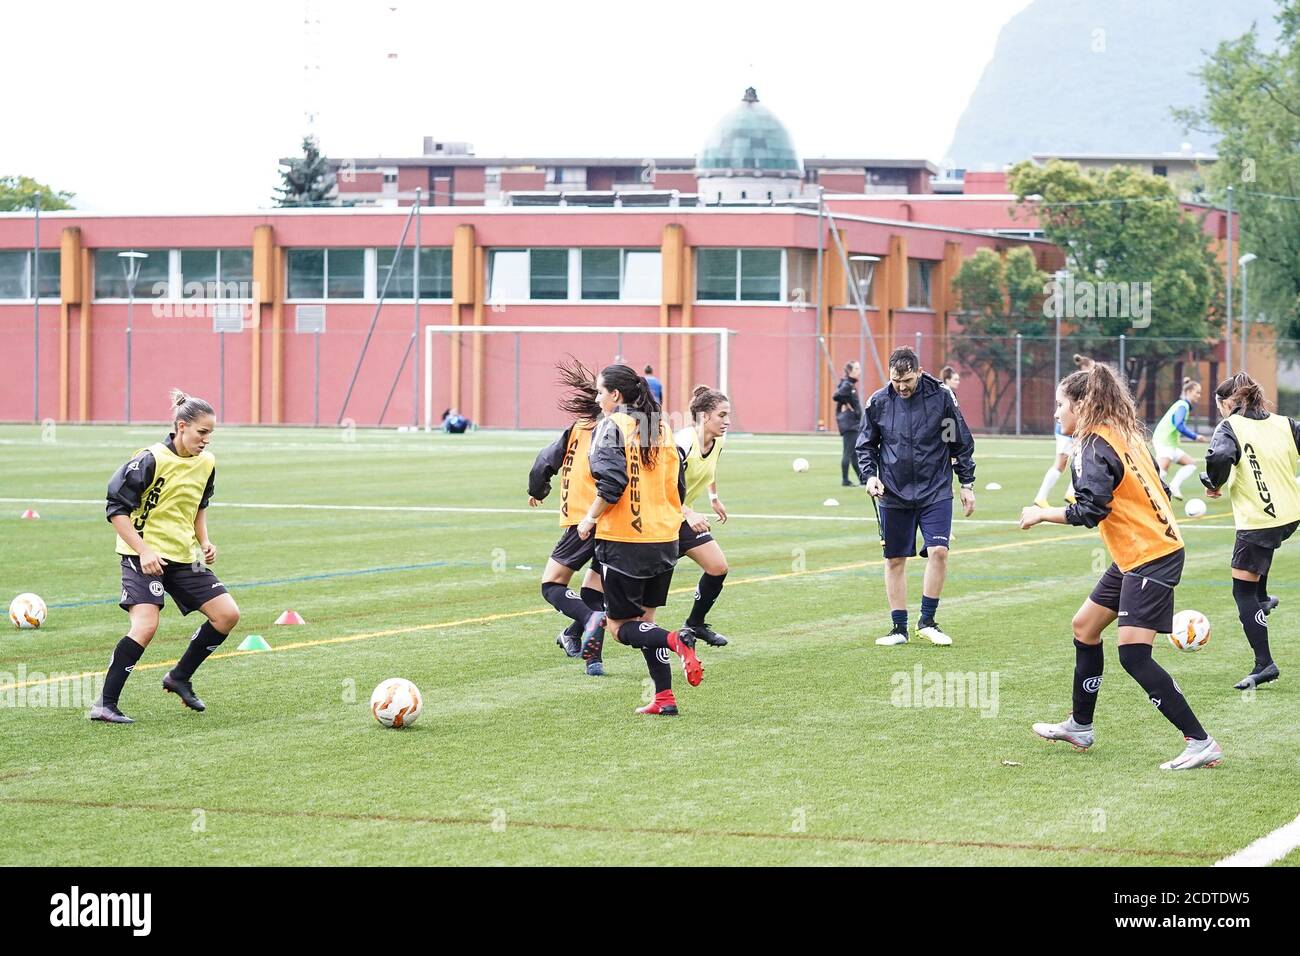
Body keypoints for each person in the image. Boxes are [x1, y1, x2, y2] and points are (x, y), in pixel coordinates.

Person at [1020, 363, 1221, 770]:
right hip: (1142, 551)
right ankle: (1080, 725)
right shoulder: (1124, 434)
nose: (1056, 413)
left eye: (1060, 404)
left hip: (1150, 555)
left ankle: (1200, 741)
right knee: (1085, 627)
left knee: (1133, 655)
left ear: (1081, 404)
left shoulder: (1094, 445)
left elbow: (1091, 510)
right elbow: (1160, 488)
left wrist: (1042, 514)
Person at [90, 389, 241, 723]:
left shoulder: (207, 463)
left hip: (185, 557)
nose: (207, 440)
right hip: (141, 556)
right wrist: (144, 551)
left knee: (227, 615)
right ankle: (105, 703)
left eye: (211, 434)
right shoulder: (149, 459)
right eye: (202, 432)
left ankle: (179, 677)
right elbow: (116, 510)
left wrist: (205, 541)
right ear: (181, 426)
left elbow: (198, 504)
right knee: (145, 625)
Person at [576, 364, 704, 716]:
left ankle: (676, 641)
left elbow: (612, 483)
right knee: (646, 620)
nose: (598, 398)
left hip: (624, 541)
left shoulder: (611, 426)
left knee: (620, 628)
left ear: (615, 396)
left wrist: (588, 519)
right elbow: (678, 484)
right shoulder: (660, 426)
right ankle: (665, 698)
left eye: (600, 392)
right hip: (664, 538)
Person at [857, 347, 976, 646]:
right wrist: (870, 476)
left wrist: (966, 482)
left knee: (938, 551)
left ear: (919, 372)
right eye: (897, 381)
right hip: (893, 492)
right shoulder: (879, 402)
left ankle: (928, 621)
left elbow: (957, 440)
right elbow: (866, 445)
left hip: (934, 488)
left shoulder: (941, 397)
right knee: (895, 559)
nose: (902, 387)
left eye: (907, 380)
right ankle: (899, 628)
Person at [1204, 372, 1300, 690]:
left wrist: (1214, 483)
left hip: (1261, 519)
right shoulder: (1285, 422)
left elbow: (1219, 456)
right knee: (1260, 559)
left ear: (1229, 402)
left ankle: (1265, 663)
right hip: (1290, 514)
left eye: (1220, 404)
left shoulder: (1231, 425)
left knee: (1240, 591)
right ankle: (1263, 597)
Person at [527, 358, 608, 676]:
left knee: (552, 584)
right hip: (617, 524)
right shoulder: (625, 431)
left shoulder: (579, 429)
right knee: (596, 589)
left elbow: (545, 460)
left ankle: (587, 621)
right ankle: (590, 656)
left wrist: (538, 489)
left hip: (584, 519)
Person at [674, 385, 732, 647]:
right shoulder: (683, 443)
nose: (727, 421)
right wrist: (687, 512)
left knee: (717, 567)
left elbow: (711, 468)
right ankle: (577, 627)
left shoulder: (718, 440)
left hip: (681, 517)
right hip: (660, 520)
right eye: (722, 415)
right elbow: (661, 485)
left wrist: (713, 498)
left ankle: (694, 624)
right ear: (705, 416)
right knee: (632, 590)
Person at [1033, 354, 1094, 508]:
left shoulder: (1086, 385)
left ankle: (1071, 493)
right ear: (1085, 368)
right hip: (1066, 431)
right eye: (1092, 367)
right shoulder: (1078, 386)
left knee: (1081, 460)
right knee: (1061, 463)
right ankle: (1041, 497)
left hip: (1078, 430)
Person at [1152, 378, 1204, 499]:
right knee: (1159, 472)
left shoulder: (1183, 404)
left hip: (1170, 443)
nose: (1199, 395)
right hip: (1164, 441)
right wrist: (1195, 436)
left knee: (1191, 464)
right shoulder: (1183, 405)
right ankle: (1147, 493)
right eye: (1197, 392)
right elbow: (1178, 424)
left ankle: (1174, 486)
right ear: (1189, 392)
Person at [833, 361, 864, 486]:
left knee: (854, 454)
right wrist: (847, 404)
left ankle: (862, 479)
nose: (859, 371)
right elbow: (836, 396)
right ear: (850, 371)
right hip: (849, 423)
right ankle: (845, 480)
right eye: (856, 368)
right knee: (849, 452)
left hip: (852, 423)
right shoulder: (847, 384)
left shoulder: (849, 384)